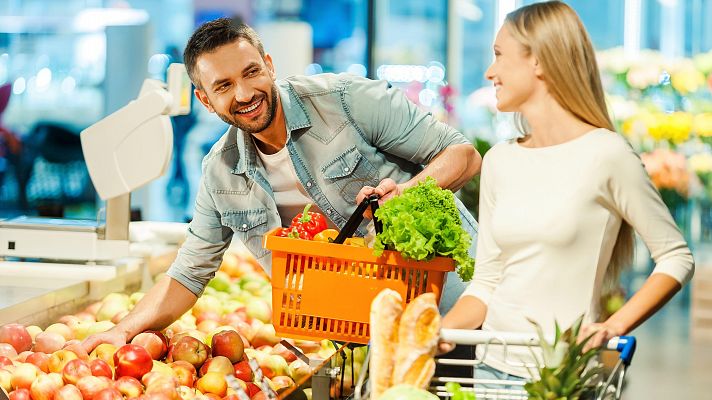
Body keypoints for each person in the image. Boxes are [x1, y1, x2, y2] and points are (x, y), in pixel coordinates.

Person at [83, 18, 481, 351]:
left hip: (457, 310)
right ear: (205, 101)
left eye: (251, 72)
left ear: (269, 65)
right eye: (223, 86)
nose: (244, 94)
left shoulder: (345, 100)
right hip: (368, 336)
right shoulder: (221, 171)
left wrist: (404, 196)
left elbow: (462, 155)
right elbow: (189, 273)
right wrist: (122, 330)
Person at [440, 0, 694, 383]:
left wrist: (614, 325)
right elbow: (487, 281)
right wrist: (438, 330)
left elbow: (675, 257)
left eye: (498, 56)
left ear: (538, 61)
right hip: (490, 368)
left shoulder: (606, 154)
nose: (490, 71)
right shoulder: (499, 160)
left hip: (562, 377)